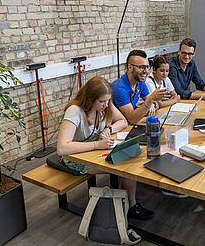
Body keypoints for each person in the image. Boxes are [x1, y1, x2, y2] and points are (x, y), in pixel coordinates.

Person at [57, 76, 154, 220]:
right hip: (74, 156)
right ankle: (131, 206)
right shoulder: (74, 111)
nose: (105, 104)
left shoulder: (105, 104)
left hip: (95, 148)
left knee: (130, 157)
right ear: (90, 99)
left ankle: (125, 201)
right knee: (125, 166)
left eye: (108, 101)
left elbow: (123, 121)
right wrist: (97, 145)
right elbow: (62, 148)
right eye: (102, 101)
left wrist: (109, 128)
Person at [112, 50, 169, 124]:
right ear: (130, 67)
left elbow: (155, 104)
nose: (146, 71)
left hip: (128, 125)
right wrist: (150, 100)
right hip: (116, 129)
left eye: (147, 67)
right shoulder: (119, 88)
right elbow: (132, 119)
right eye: (141, 67)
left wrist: (151, 103)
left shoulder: (140, 83)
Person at [169, 38, 205, 102]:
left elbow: (199, 83)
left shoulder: (191, 63)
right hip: (170, 101)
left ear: (194, 54)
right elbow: (179, 91)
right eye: (184, 53)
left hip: (182, 100)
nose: (186, 57)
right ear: (179, 51)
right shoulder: (171, 66)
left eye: (190, 54)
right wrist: (203, 96)